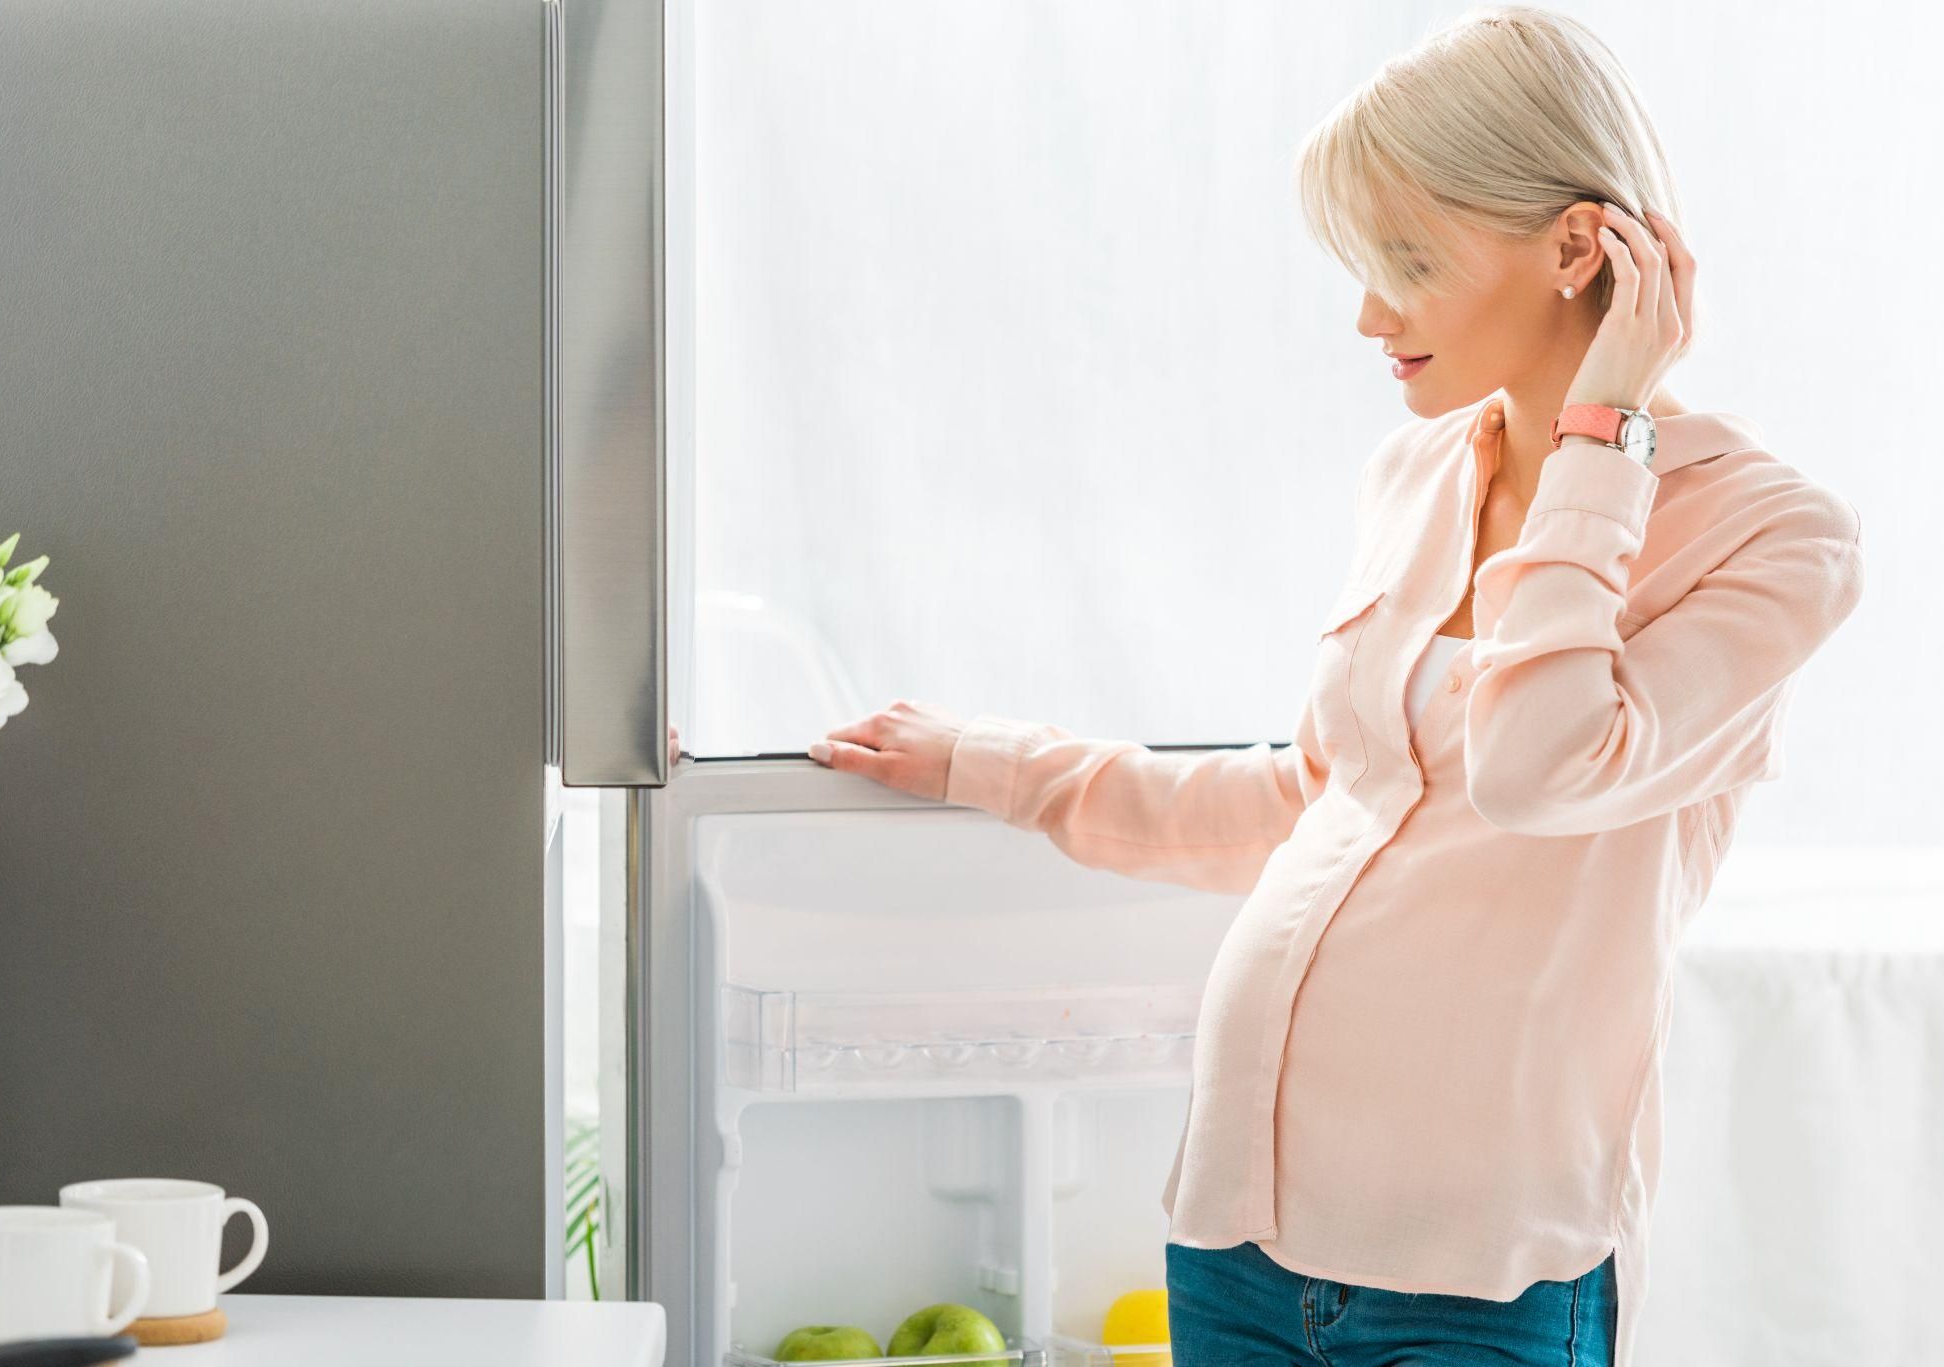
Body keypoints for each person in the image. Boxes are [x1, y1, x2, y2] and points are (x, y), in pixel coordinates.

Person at [682, 6, 1865, 1364]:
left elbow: (1539, 768)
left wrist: (1603, 439)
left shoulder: (1774, 538)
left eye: (1407, 263)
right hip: (1236, 1237)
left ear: (1577, 249)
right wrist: (997, 764)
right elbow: (1322, 798)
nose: (1370, 314)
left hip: (1480, 1275)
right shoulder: (1419, 473)